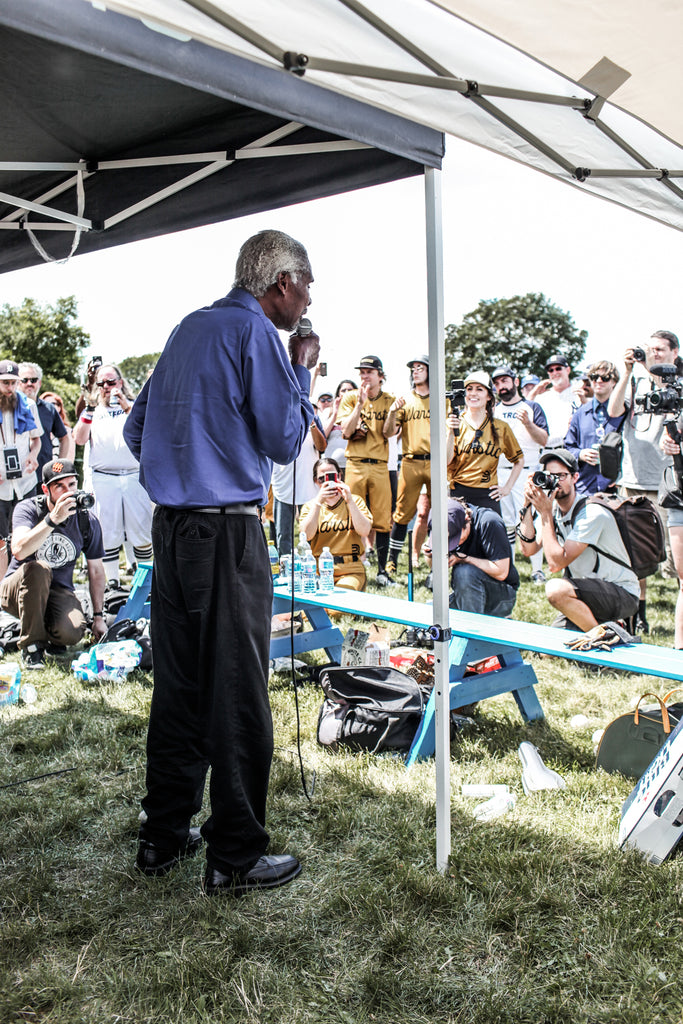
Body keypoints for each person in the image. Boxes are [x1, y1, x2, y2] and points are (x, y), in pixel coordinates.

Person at [124, 228, 317, 896]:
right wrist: (303, 369)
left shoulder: (187, 328)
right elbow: (285, 440)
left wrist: (178, 467)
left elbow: (133, 429)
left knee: (178, 688)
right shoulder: (258, 334)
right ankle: (234, 856)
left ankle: (162, 836)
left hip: (170, 534)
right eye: (306, 283)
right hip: (226, 534)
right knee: (235, 693)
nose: (310, 295)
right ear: (279, 283)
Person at [518, 447, 639, 630]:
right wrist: (527, 506)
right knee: (547, 652)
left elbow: (555, 564)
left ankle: (606, 636)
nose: (555, 482)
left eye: (561, 476)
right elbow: (528, 550)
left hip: (619, 592)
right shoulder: (553, 510)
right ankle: (607, 627)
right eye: (549, 476)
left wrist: (545, 514)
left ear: (575, 477)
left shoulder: (591, 513)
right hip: (584, 592)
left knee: (555, 590)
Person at [0, 458, 106, 669]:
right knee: (39, 569)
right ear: (45, 489)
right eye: (59, 486)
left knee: (72, 632)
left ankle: (49, 633)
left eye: (72, 485)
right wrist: (52, 520)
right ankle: (32, 647)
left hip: (58, 591)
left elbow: (96, 571)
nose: (68, 492)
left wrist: (98, 617)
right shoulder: (28, 509)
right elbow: (19, 550)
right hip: (17, 588)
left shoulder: (86, 520)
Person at [608, 331, 681, 630]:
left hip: (668, 483)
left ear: (675, 352)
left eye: (661, 350)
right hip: (633, 480)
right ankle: (639, 615)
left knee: (676, 561)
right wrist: (626, 372)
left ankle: (679, 616)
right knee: (635, 554)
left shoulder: (678, 386)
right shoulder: (637, 382)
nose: (655, 354)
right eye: (651, 350)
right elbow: (613, 411)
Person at [72, 363, 153, 583]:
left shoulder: (134, 406)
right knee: (108, 533)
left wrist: (127, 407)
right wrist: (88, 408)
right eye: (102, 383)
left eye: (111, 382)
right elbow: (78, 439)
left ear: (120, 382)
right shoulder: (93, 411)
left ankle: (143, 583)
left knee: (141, 532)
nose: (107, 387)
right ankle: (112, 583)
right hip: (104, 477)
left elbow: (148, 429)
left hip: (134, 475)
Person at [337, 355, 395, 585]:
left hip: (380, 465)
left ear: (380, 375)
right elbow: (346, 432)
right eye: (361, 372)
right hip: (356, 463)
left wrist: (391, 413)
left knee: (382, 520)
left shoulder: (390, 399)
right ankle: (352, 567)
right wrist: (359, 405)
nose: (364, 376)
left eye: (369, 371)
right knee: (352, 516)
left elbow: (390, 433)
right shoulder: (351, 397)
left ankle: (383, 571)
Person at [492, 364, 548, 582]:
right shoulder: (493, 410)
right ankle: (511, 569)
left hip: (527, 472)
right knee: (506, 523)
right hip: (501, 472)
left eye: (505, 381)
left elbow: (543, 439)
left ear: (515, 382)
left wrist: (528, 423)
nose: (501, 386)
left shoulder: (532, 406)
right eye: (497, 383)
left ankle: (537, 570)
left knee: (530, 521)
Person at [446, 371, 524, 515]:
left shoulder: (501, 427)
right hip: (458, 493)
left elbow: (519, 460)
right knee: (461, 536)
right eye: (469, 389)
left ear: (489, 396)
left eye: (479, 389)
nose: (473, 393)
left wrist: (507, 488)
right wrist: (451, 432)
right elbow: (445, 461)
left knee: (493, 531)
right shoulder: (453, 423)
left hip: (488, 495)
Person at [426, 497, 519, 616]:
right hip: (467, 593)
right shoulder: (441, 523)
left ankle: (472, 630)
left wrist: (465, 559)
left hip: (502, 595)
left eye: (455, 539)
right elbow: (434, 567)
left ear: (467, 519)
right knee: (427, 616)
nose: (454, 544)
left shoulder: (489, 522)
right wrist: (430, 555)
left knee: (464, 572)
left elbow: (501, 572)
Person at [385, 355, 431, 575]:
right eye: (413, 368)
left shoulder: (443, 399)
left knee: (440, 513)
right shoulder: (405, 399)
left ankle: (439, 558)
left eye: (420, 368)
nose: (415, 371)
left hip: (437, 462)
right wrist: (393, 411)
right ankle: (392, 560)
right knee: (402, 513)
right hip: (411, 460)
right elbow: (388, 433)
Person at [299, 457, 373, 590]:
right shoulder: (310, 506)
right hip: (318, 571)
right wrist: (318, 502)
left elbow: (364, 530)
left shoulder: (355, 501)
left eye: (332, 477)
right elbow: (306, 536)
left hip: (351, 569)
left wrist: (349, 500)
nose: (328, 482)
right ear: (316, 481)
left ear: (339, 476)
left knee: (335, 608)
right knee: (313, 608)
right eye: (322, 479)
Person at [0, 360, 42, 577]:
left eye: (13, 383)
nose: (9, 388)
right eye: (5, 383)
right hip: (1, 486)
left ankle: (25, 585)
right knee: (1, 540)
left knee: (27, 535)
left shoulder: (28, 405)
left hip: (25, 482)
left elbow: (36, 440)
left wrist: (33, 457)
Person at [564, 360, 625, 495]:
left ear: (614, 382)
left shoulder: (624, 411)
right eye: (593, 377)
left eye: (605, 378)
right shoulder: (580, 413)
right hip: (585, 485)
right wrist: (581, 454)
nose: (599, 381)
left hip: (617, 486)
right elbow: (568, 447)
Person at [18, 362, 72, 475]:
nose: (29, 383)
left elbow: (64, 438)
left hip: (42, 473)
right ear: (18, 382)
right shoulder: (9, 408)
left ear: (40, 383)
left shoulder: (49, 409)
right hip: (17, 473)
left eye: (33, 380)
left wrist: (58, 467)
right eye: (25, 380)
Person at [530, 354, 581, 439]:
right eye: (551, 370)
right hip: (547, 449)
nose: (555, 373)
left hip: (571, 448)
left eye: (558, 368)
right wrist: (534, 392)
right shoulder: (542, 397)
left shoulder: (578, 393)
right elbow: (523, 413)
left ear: (568, 370)